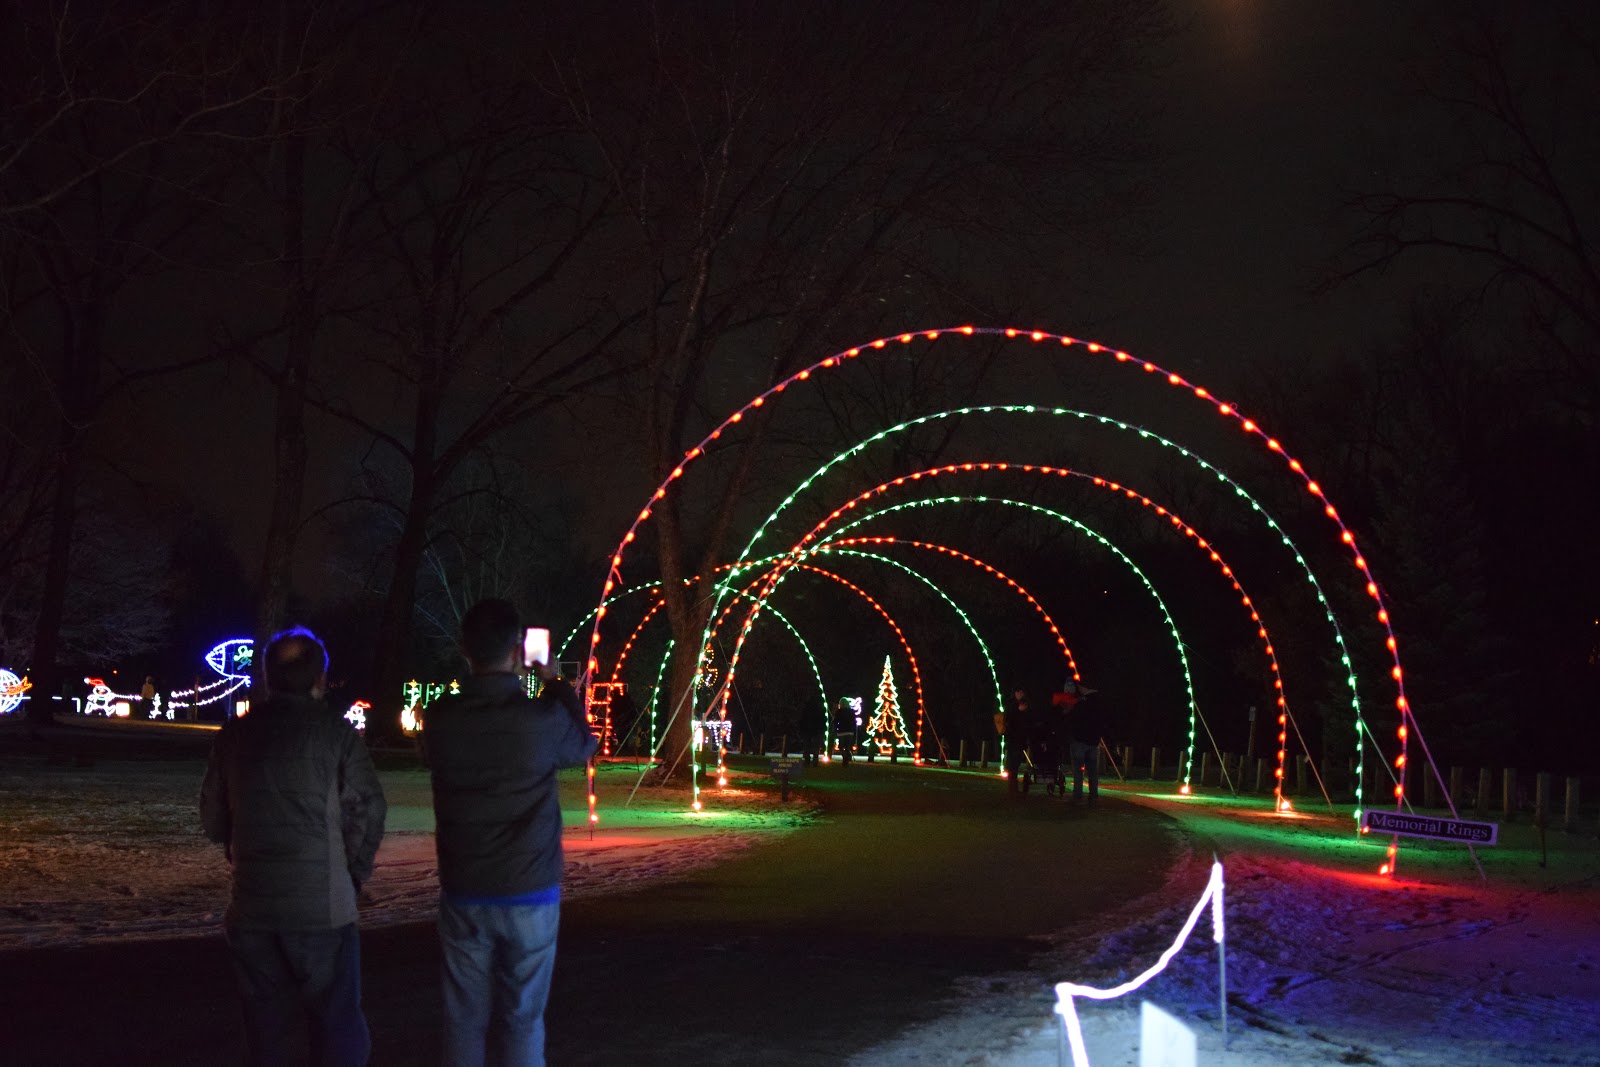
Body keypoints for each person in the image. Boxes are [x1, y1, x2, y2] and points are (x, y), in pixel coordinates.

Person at [200, 627, 387, 1066]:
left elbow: (212, 820)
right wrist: (353, 871)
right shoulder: (337, 736)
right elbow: (369, 808)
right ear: (321, 679)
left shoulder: (233, 737)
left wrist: (238, 842)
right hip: (321, 907)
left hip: (253, 905)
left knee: (267, 1030)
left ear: (266, 677)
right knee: (337, 1024)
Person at [422, 598, 598, 1066]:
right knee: (523, 1017)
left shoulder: (440, 721)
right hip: (529, 886)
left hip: (465, 886)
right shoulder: (540, 722)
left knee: (463, 1018)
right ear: (520, 652)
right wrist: (555, 682)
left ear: (465, 649)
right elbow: (584, 744)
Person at [1061, 680, 1104, 805]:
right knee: (1092, 770)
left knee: (1078, 769)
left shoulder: (1082, 702)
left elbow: (1075, 719)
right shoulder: (1098, 701)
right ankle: (1093, 795)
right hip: (1093, 741)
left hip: (1080, 740)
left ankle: (1077, 796)